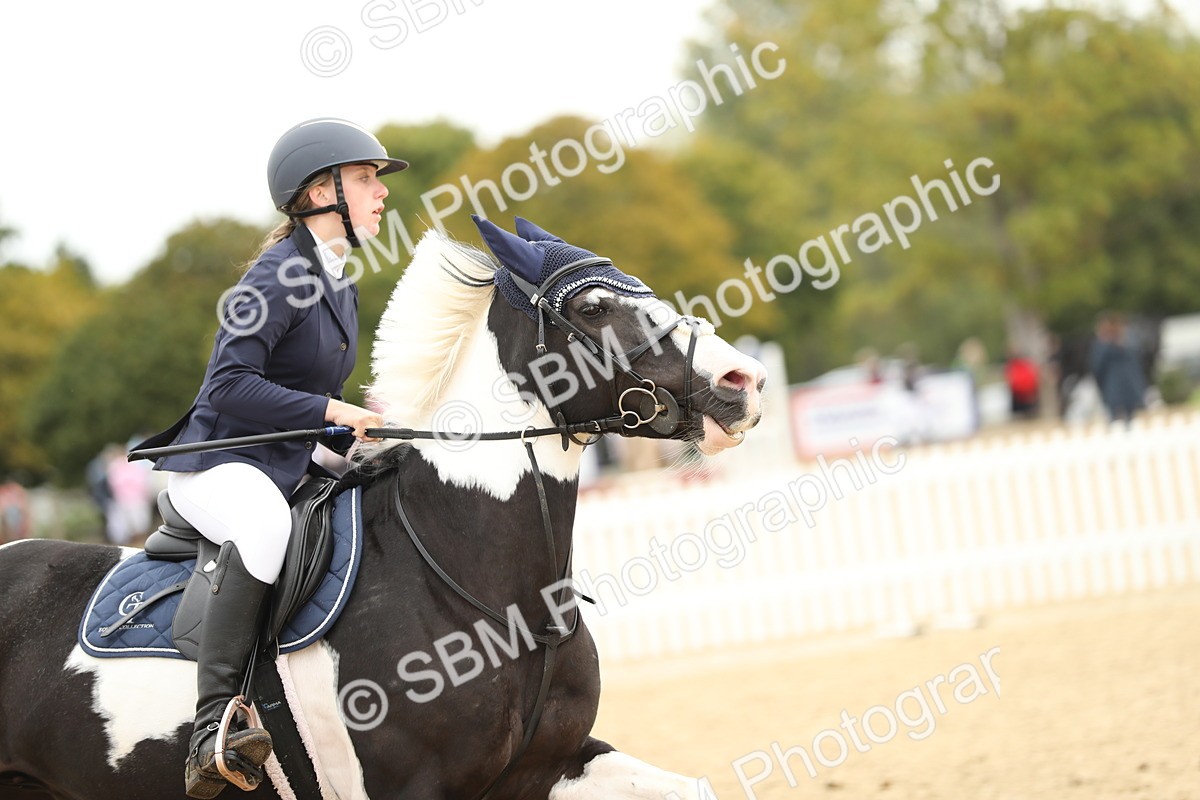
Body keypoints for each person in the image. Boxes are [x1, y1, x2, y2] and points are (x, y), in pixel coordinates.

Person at [130, 118, 407, 798]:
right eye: (367, 180)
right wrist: (333, 412)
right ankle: (210, 730)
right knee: (263, 527)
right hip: (217, 467)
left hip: (282, 462)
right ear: (319, 191)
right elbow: (229, 386)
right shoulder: (274, 275)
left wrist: (361, 432)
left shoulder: (338, 281)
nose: (381, 195)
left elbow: (307, 404)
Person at [1090, 312, 1146, 427]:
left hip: (1113, 391)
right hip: (1130, 390)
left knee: (1117, 423)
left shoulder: (1103, 347)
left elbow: (1097, 369)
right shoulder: (1130, 342)